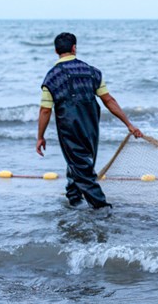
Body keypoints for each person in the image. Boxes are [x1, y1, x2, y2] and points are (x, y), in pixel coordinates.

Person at [36, 32, 143, 209]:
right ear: (74, 48)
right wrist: (129, 124)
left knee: (80, 166)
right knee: (81, 162)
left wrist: (40, 136)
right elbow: (108, 100)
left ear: (56, 51)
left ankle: (102, 208)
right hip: (91, 125)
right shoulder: (92, 72)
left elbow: (45, 110)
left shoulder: (51, 77)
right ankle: (74, 196)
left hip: (69, 126)